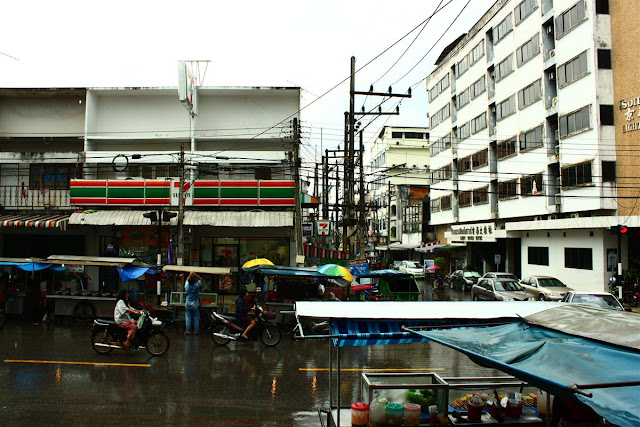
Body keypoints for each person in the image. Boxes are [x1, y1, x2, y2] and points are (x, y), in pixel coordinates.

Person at [184, 271, 203, 335]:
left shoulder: (187, 287)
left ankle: (188, 331)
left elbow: (186, 280)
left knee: (188, 318)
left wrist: (190, 274)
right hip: (195, 305)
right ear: (194, 282)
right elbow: (201, 279)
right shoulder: (196, 287)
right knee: (196, 318)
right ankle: (196, 331)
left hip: (188, 304)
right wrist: (195, 274)